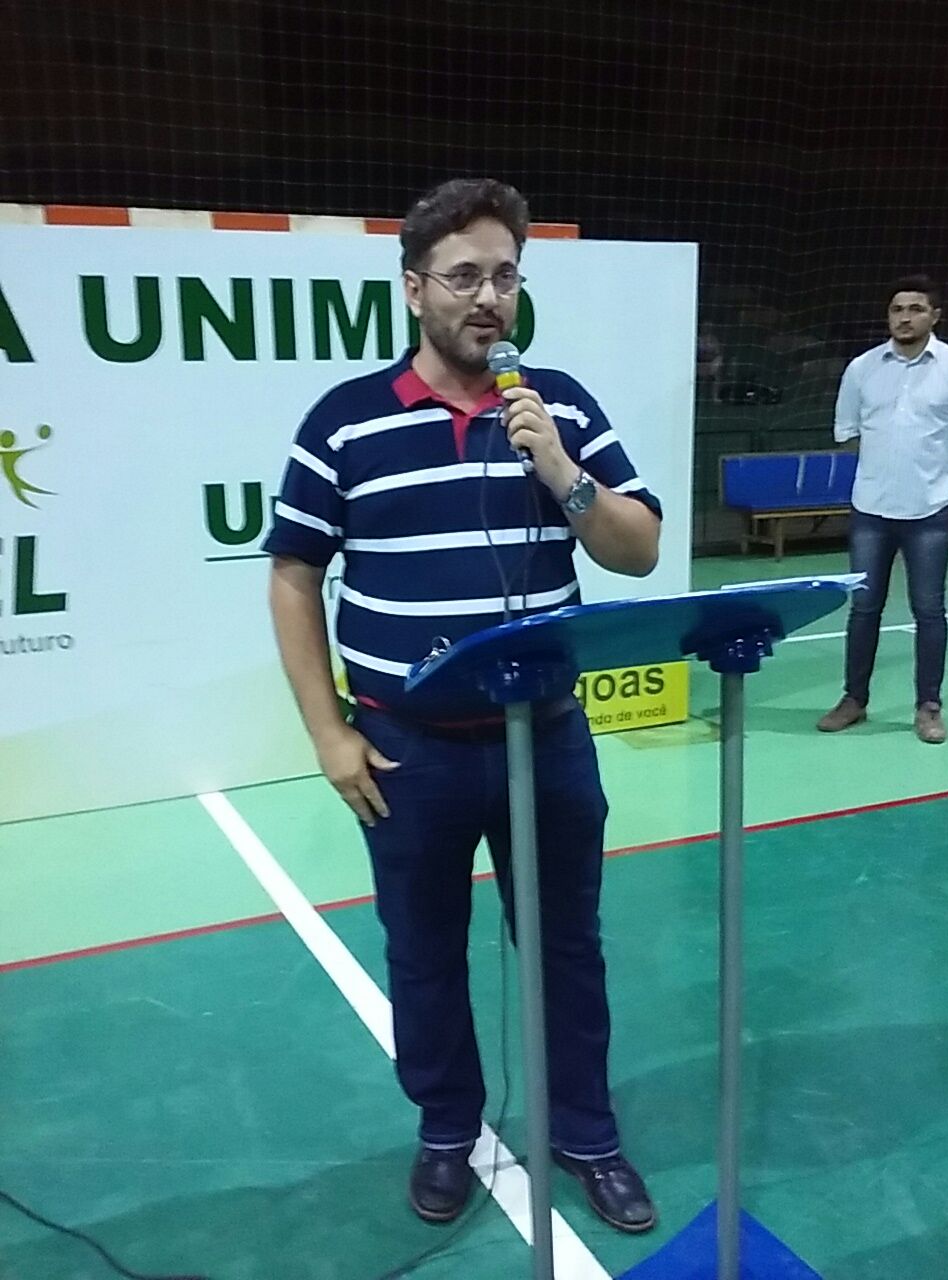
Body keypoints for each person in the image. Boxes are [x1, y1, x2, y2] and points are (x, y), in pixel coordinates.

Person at [264, 178, 662, 1232]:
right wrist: (329, 732)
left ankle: (587, 1133)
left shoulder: (561, 405)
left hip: (548, 741)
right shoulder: (343, 421)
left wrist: (561, 468)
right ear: (414, 289)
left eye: (505, 276)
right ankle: (448, 1129)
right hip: (410, 750)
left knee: (567, 946)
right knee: (423, 950)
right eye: (464, 276)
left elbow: (638, 549)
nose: (488, 297)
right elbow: (294, 576)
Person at [818, 274, 948, 743]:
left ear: (935, 316)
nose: (905, 317)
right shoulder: (861, 369)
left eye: (916, 309)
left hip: (931, 512)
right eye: (897, 309)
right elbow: (848, 432)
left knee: (929, 610)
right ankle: (854, 700)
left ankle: (928, 707)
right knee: (863, 609)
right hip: (871, 512)